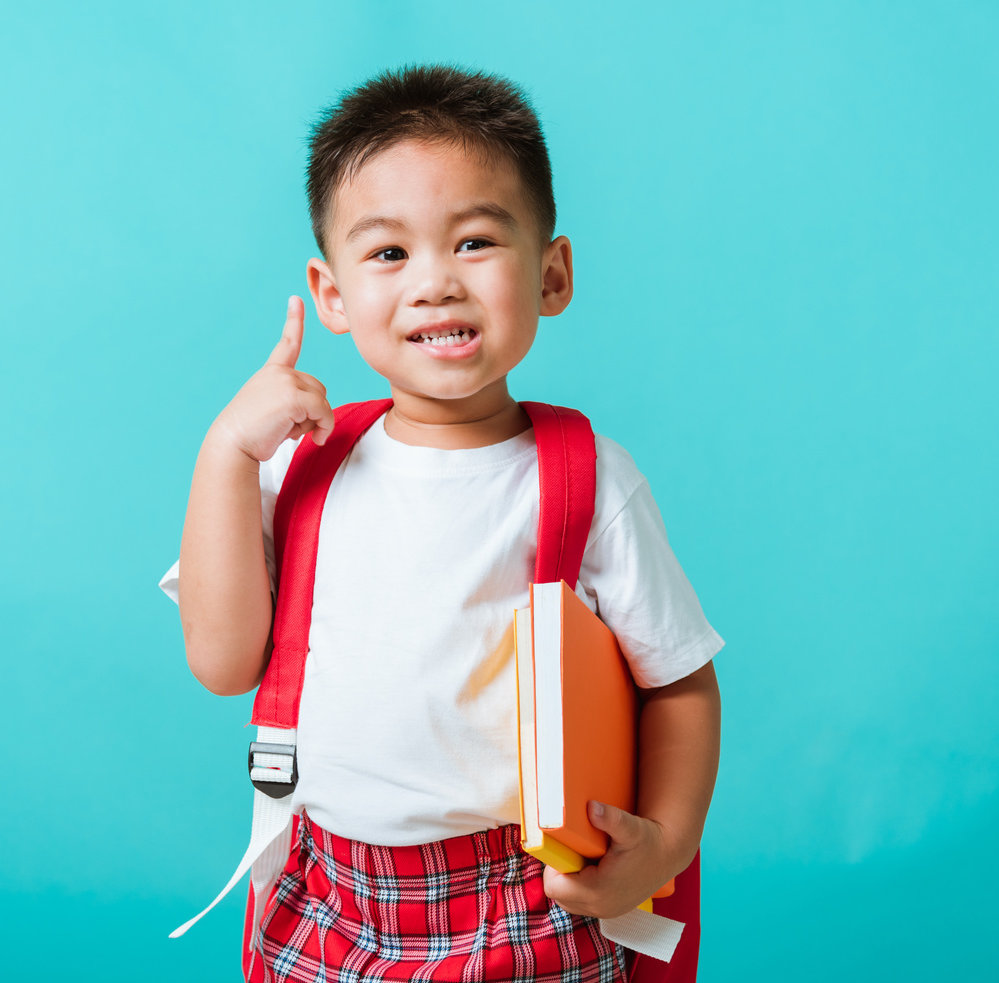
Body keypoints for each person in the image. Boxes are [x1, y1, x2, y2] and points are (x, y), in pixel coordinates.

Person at [160, 64, 724, 982]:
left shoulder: (587, 479)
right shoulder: (303, 470)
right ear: (332, 294)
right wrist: (227, 455)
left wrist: (663, 841)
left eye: (473, 242)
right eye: (389, 254)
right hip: (330, 889)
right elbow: (225, 664)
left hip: (530, 900)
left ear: (551, 273)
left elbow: (680, 684)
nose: (435, 284)